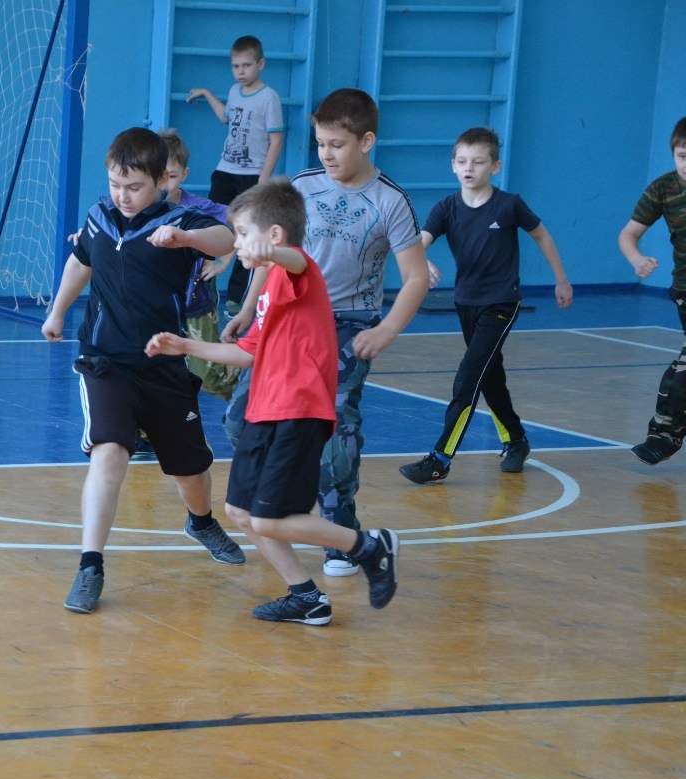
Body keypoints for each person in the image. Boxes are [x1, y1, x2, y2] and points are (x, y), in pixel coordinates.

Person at [146, 179, 399, 624]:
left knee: (267, 520)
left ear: (274, 236)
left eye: (243, 234)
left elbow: (295, 258)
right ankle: (306, 596)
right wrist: (185, 346)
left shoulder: (298, 270)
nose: (238, 243)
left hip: (298, 411)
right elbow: (248, 353)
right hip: (263, 411)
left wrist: (270, 252)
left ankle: (368, 546)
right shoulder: (269, 290)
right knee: (240, 512)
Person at [224, 88, 430, 578]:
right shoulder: (303, 186)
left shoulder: (390, 201)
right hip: (288, 319)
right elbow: (269, 253)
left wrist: (387, 330)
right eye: (320, 143)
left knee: (336, 430)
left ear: (366, 141)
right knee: (239, 418)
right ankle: (280, 499)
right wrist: (250, 310)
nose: (327, 154)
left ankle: (343, 530)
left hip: (347, 323)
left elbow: (417, 277)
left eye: (337, 144)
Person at [42, 127, 244, 615]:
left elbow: (228, 239)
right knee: (109, 453)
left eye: (134, 187)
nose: (123, 195)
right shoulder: (98, 217)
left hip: (164, 365)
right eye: (116, 184)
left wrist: (186, 239)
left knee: (191, 471)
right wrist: (57, 311)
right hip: (105, 360)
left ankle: (200, 522)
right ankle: (90, 566)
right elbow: (81, 262)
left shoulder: (180, 220)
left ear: (161, 181)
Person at [398, 127, 574, 484]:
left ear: (495, 166)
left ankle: (440, 458)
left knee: (468, 377)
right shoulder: (446, 208)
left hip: (501, 302)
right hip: (466, 303)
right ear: (453, 165)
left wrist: (561, 279)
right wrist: (423, 262)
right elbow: (417, 243)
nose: (469, 168)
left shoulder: (509, 205)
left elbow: (541, 235)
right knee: (489, 376)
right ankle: (516, 440)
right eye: (462, 161)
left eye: (478, 162)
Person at [187, 35, 284, 316]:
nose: (241, 71)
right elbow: (225, 117)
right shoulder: (233, 91)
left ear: (261, 64)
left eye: (246, 65)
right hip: (225, 170)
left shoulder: (269, 97)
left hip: (252, 175)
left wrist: (263, 178)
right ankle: (200, 282)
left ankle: (237, 296)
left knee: (248, 230)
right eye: (236, 66)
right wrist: (206, 93)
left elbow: (276, 140)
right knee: (211, 223)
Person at [617, 116, 686, 465]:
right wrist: (637, 259)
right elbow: (628, 234)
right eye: (683, 156)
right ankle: (663, 436)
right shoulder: (663, 188)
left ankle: (664, 436)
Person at [159, 128, 242, 402]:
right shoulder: (140, 207)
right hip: (159, 303)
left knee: (207, 375)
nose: (164, 183)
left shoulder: (199, 207)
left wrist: (223, 262)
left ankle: (246, 378)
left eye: (171, 176)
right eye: (158, 175)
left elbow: (242, 222)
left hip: (197, 301)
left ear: (184, 174)